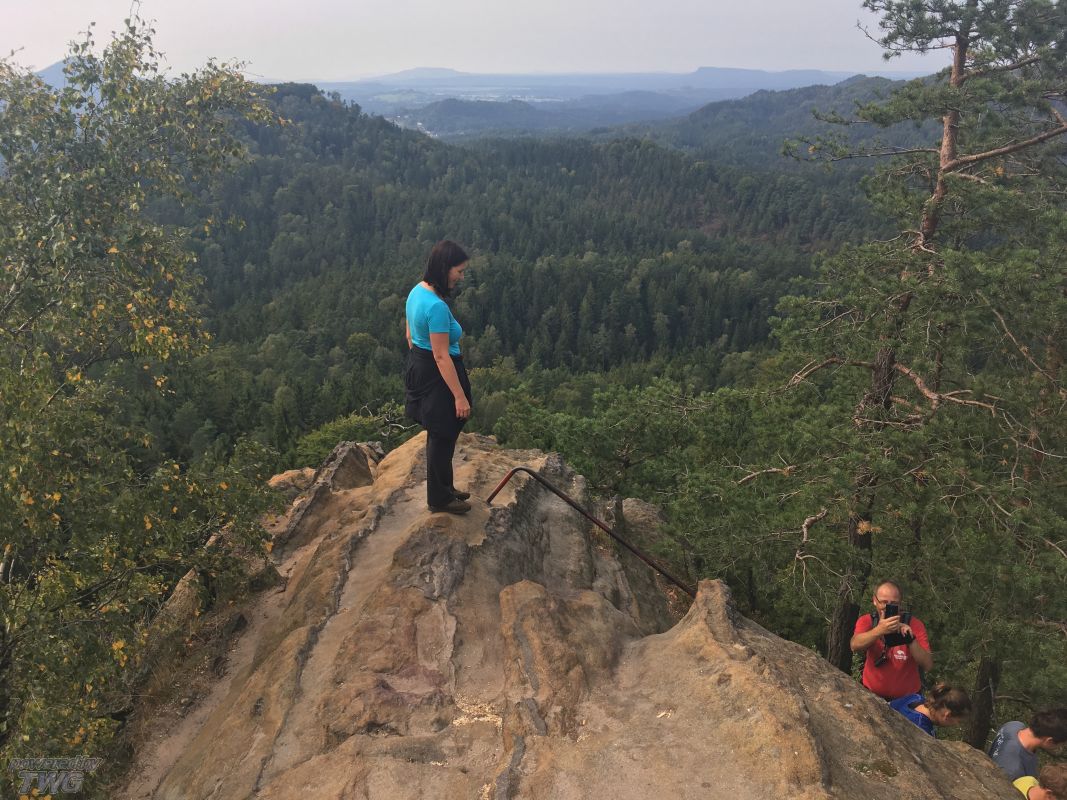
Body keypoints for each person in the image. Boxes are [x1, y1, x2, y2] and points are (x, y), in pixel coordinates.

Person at [404, 240, 474, 515]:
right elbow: (442, 355)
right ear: (445, 268)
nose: (461, 277)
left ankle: (445, 488)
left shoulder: (417, 292)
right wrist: (459, 396)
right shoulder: (436, 306)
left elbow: (409, 334)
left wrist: (420, 360)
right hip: (439, 372)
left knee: (441, 432)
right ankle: (439, 499)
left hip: (421, 365)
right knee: (443, 433)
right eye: (459, 271)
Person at [850, 580, 933, 700]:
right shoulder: (867, 621)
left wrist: (910, 639)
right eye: (884, 602)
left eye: (894, 603)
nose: (888, 607)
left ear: (900, 603)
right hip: (872, 694)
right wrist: (879, 630)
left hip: (907, 698)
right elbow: (854, 645)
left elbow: (928, 665)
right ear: (874, 600)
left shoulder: (914, 624)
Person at [989, 708, 1067, 782]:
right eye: (1062, 743)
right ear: (1049, 741)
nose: (1062, 746)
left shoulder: (1014, 725)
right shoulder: (1014, 771)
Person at [888, 683, 971, 736]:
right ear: (947, 715)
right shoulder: (921, 729)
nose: (957, 725)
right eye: (958, 721)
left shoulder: (916, 697)